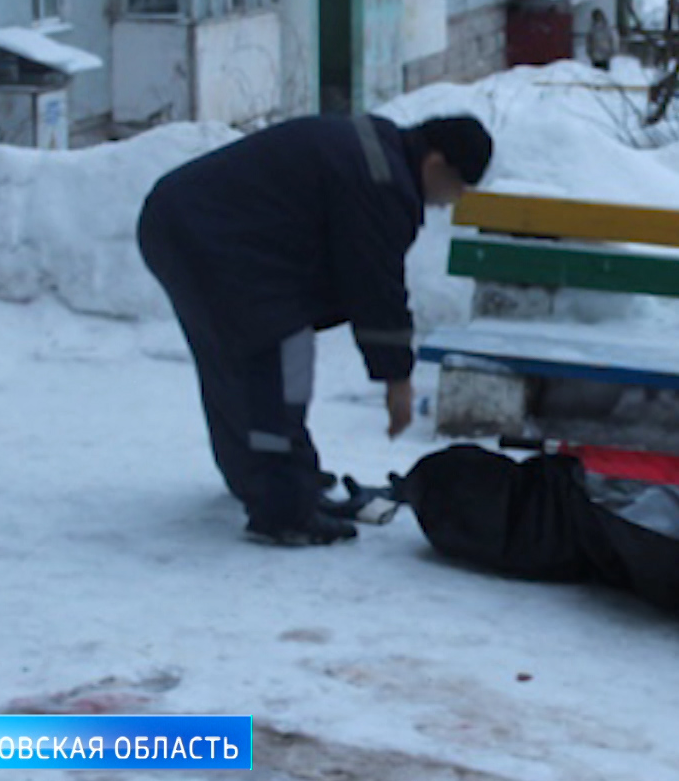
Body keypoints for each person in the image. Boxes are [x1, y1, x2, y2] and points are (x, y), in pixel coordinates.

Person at [137, 113, 493, 546]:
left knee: (240, 362)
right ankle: (284, 509)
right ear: (438, 165)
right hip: (216, 239)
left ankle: (270, 482)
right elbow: (374, 284)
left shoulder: (379, 146)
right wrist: (396, 378)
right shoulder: (383, 182)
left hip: (184, 220)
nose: (448, 203)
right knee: (278, 363)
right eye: (456, 190)